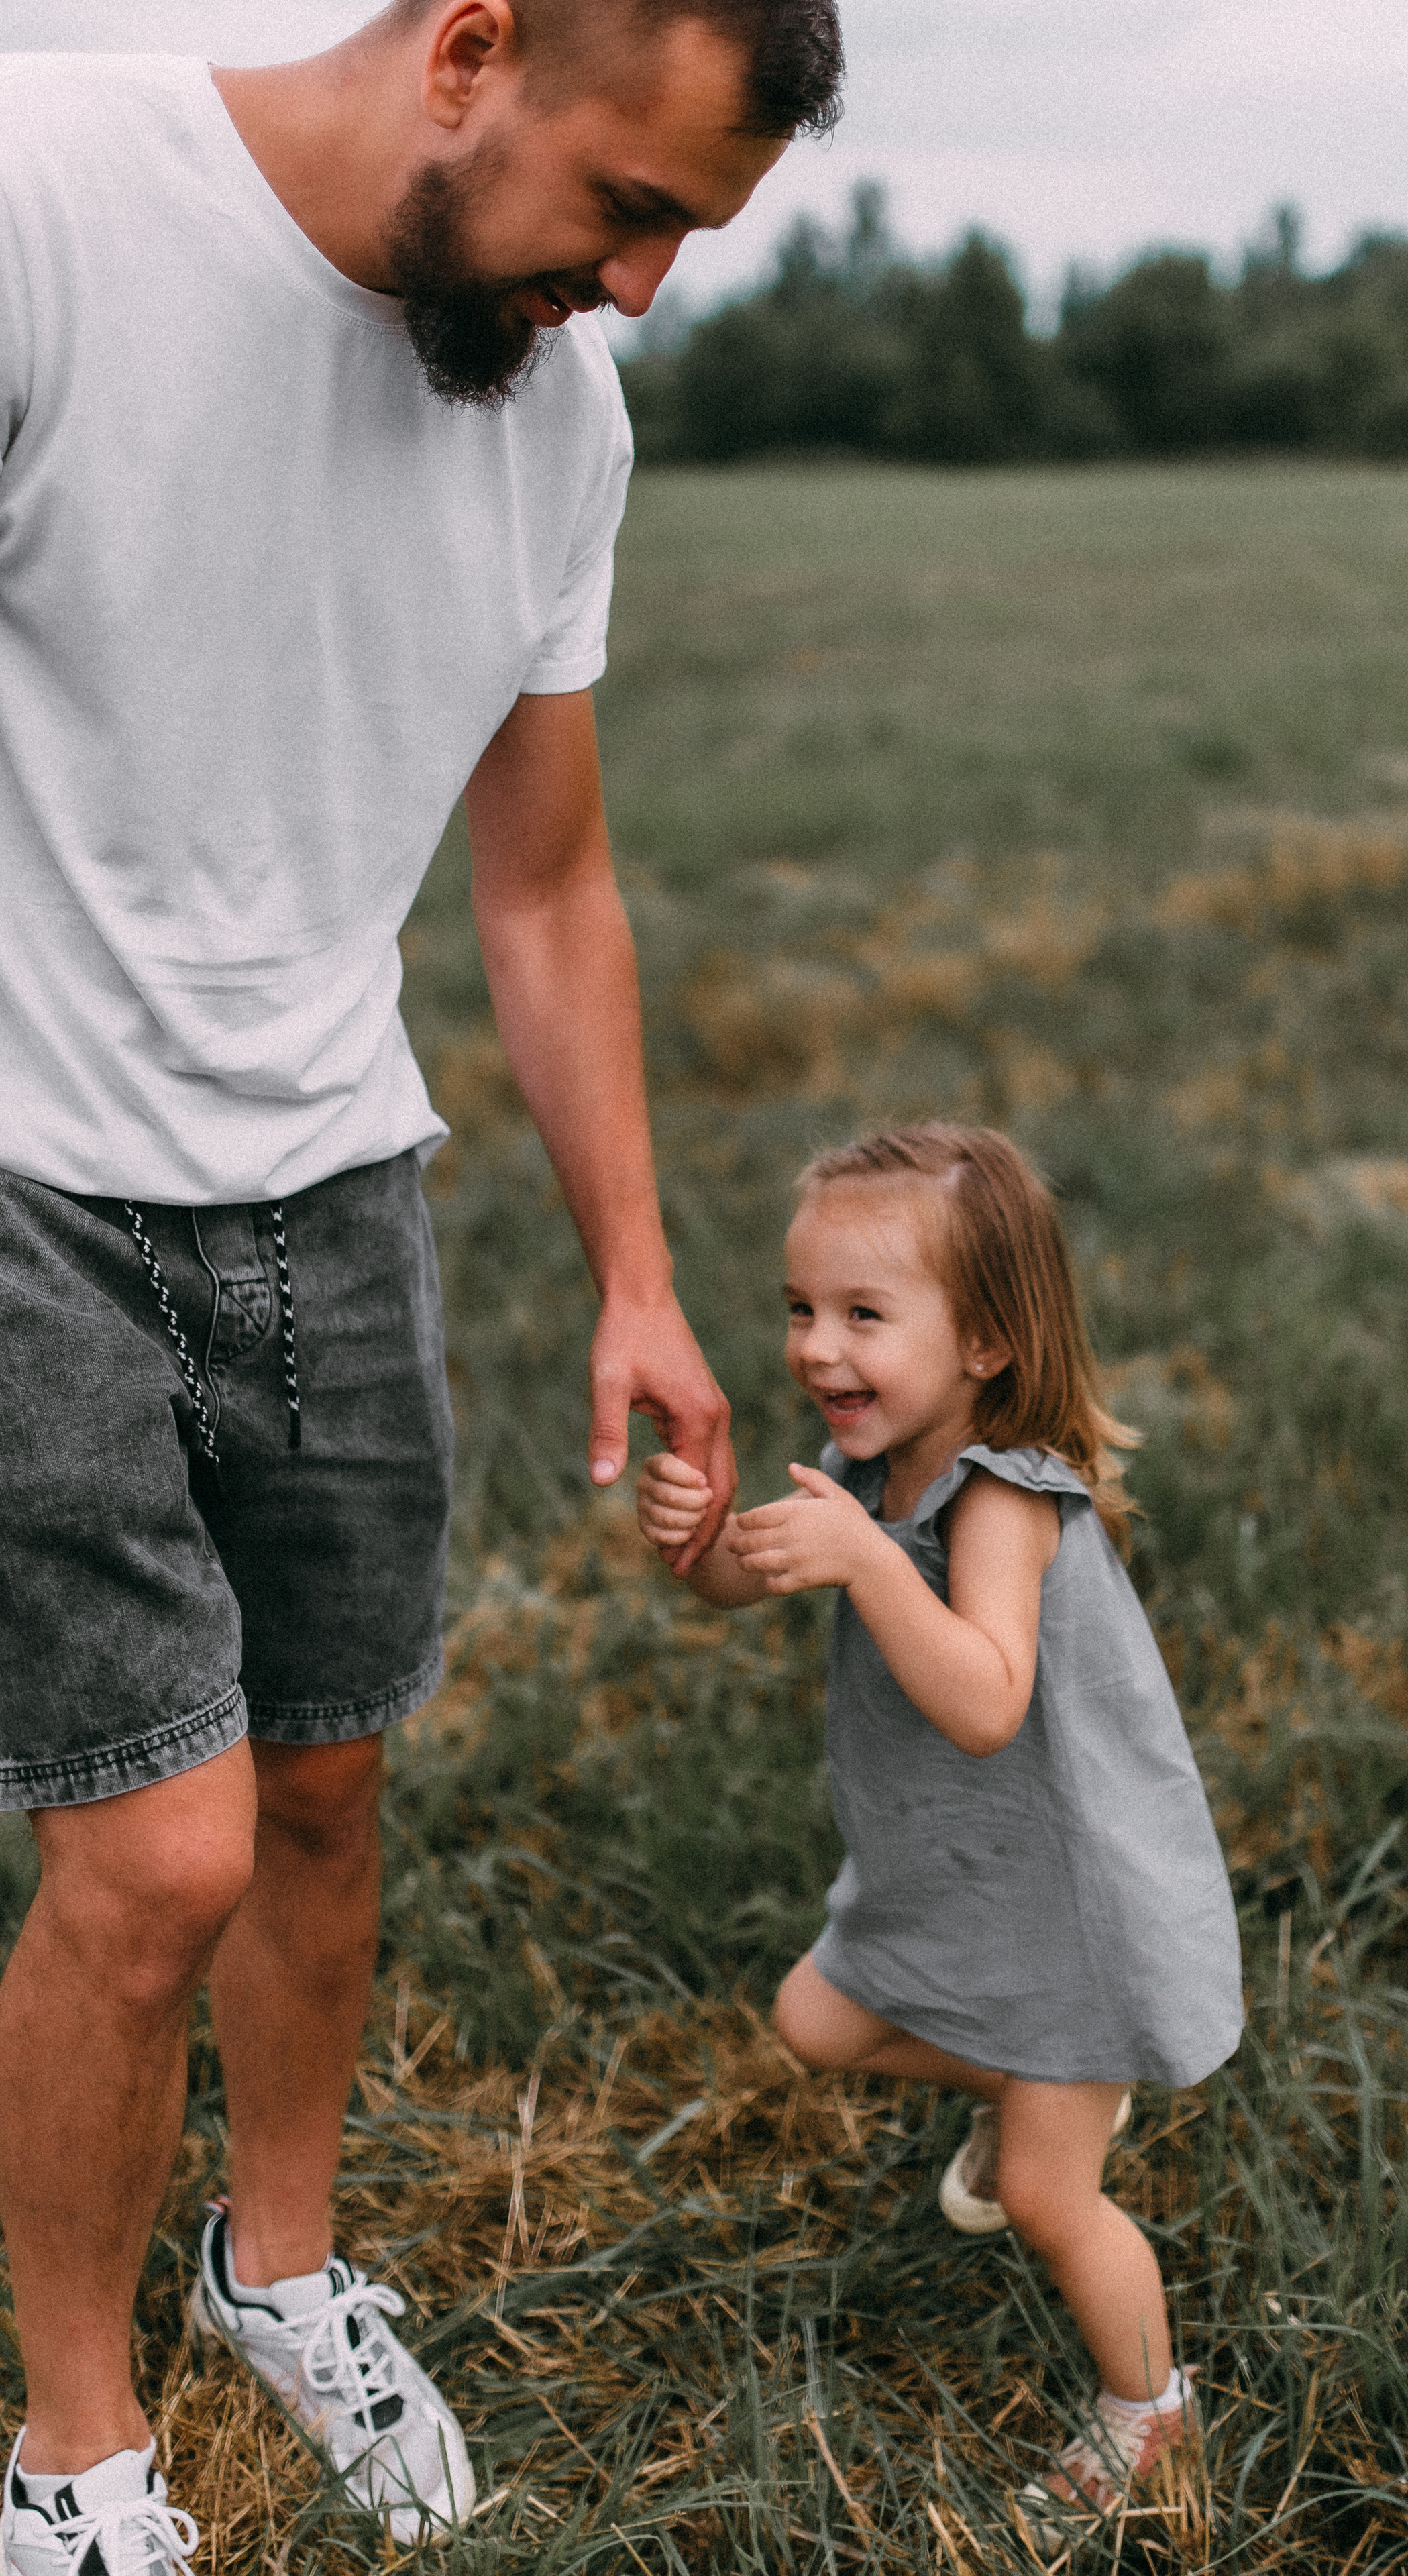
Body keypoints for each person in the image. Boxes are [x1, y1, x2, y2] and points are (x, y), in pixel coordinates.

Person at [0, 0, 840, 2565]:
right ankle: (71, 2449)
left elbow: (545, 873)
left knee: (330, 1795)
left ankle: (282, 2272)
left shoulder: (557, 415)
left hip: (335, 1188)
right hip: (24, 1177)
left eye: (692, 229)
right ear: (471, 45)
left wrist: (638, 1274)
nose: (651, 285)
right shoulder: (49, 191)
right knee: (156, 1860)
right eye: (633, 206)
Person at [637, 1122, 1245, 2540]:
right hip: (974, 1882)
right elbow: (740, 1582)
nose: (814, 1347)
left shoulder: (997, 1494)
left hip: (1074, 1899)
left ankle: (1148, 2418)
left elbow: (984, 1700)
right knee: (815, 2018)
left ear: (982, 1341)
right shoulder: (878, 1471)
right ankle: (1049, 2075)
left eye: (861, 1315)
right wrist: (697, 1535)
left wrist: (863, 1563)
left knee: (1045, 2198)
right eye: (800, 1309)